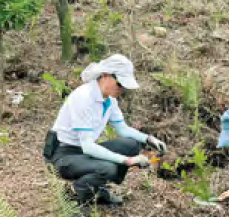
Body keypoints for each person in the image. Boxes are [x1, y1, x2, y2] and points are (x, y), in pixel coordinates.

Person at [44, 55, 167, 206]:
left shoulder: (109, 100)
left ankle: (95, 188)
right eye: (120, 84)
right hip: (63, 156)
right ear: (106, 76)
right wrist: (127, 161)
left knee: (131, 145)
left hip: (82, 152)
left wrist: (148, 139)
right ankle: (75, 194)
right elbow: (88, 147)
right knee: (107, 168)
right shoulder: (84, 98)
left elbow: (122, 129)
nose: (122, 89)